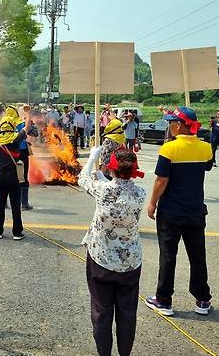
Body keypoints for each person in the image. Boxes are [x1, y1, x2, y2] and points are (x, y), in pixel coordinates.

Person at [145, 107, 214, 317]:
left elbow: (161, 180)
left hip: (171, 212)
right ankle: (202, 299)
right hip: (195, 211)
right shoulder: (206, 148)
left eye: (171, 122)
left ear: (179, 125)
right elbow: (207, 167)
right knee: (197, 256)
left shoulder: (169, 149)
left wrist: (152, 203)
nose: (169, 126)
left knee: (168, 256)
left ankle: (164, 300)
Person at [79, 147, 146, 356]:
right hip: (130, 261)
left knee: (101, 311)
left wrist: (92, 157)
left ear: (112, 169)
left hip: (101, 259)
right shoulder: (140, 193)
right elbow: (119, 188)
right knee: (127, 313)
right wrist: (103, 177)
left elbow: (82, 179)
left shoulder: (103, 190)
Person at [0, 109, 32, 240]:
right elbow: (27, 126)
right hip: (14, 177)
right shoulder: (16, 138)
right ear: (12, 126)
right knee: (15, 205)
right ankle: (17, 233)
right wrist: (28, 113)